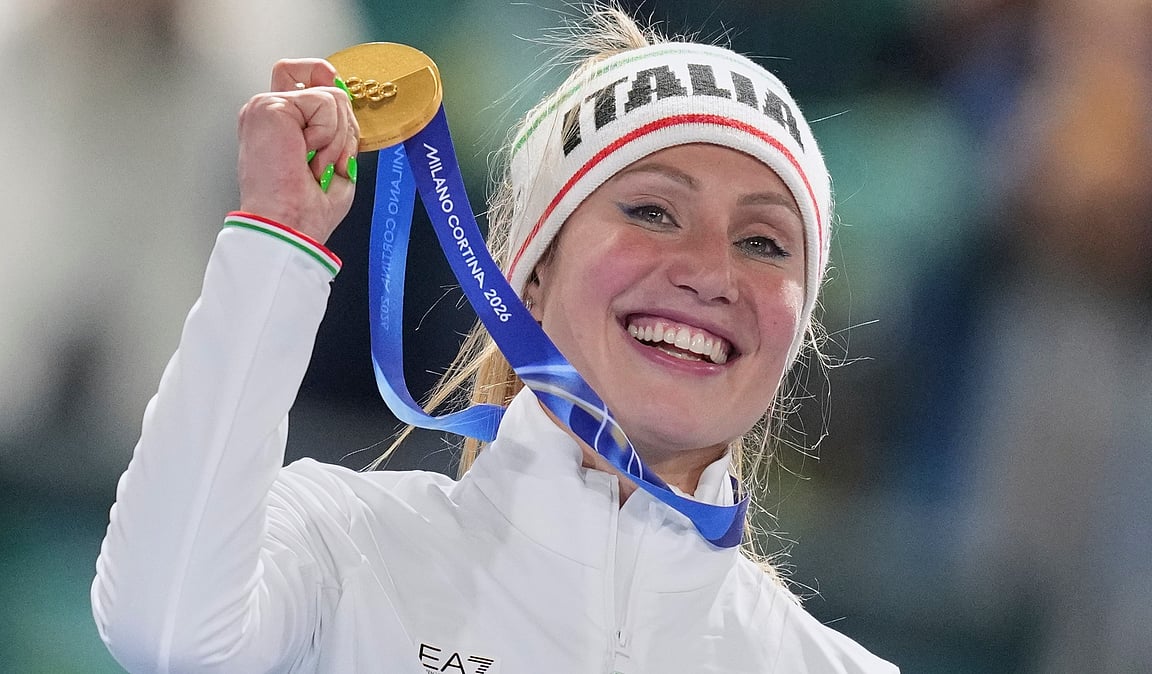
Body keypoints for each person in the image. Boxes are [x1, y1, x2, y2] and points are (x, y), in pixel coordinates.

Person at [92, 6, 897, 673]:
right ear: (531, 275)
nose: (708, 272)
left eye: (763, 242)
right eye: (652, 211)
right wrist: (278, 241)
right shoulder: (346, 552)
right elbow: (164, 631)